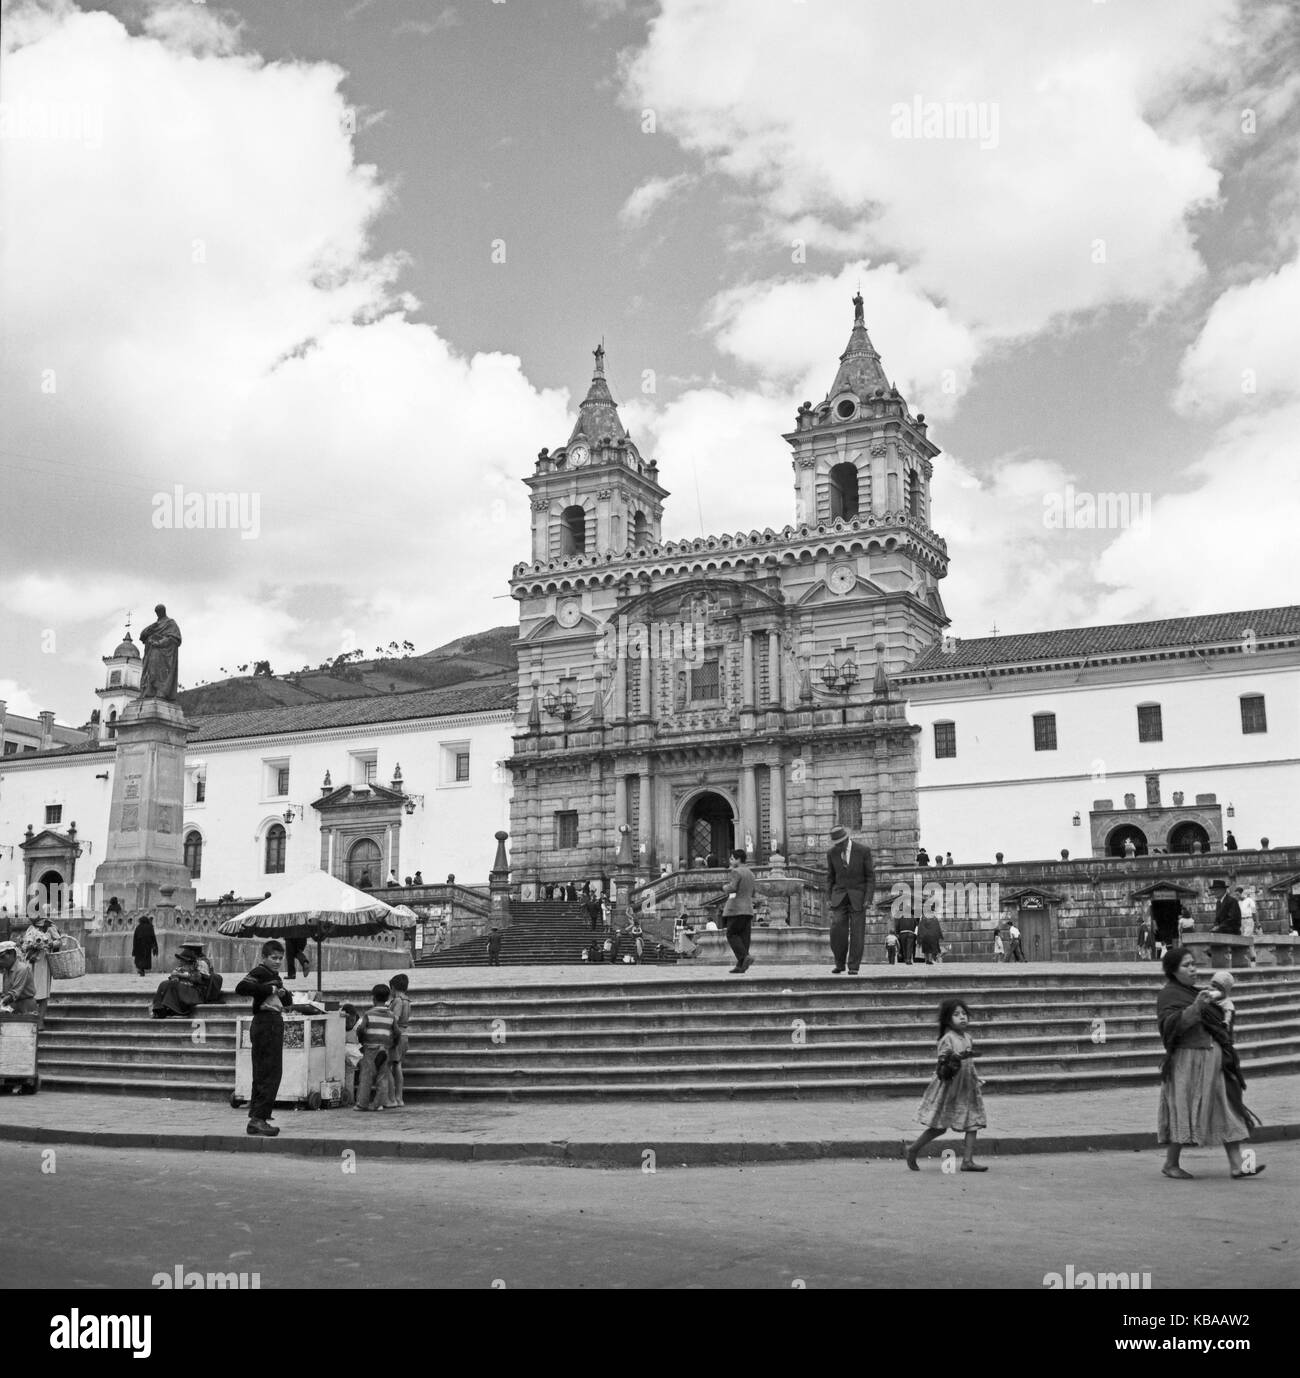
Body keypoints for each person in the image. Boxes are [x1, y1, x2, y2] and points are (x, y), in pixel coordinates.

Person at [1156, 946, 1263, 1179]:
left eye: (1193, 963)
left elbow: (1219, 1023)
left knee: (1226, 1109)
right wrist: (1197, 1007)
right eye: (1186, 965)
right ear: (1174, 971)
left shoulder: (1196, 992)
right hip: (1188, 1062)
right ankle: (1170, 1163)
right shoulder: (1169, 995)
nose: (1193, 968)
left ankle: (1237, 1165)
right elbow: (1173, 1026)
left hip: (1213, 1063)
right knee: (1183, 1111)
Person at [906, 998, 988, 1172]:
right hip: (949, 1087)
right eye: (957, 1014)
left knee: (974, 1123)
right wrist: (955, 1059)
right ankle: (912, 1149)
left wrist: (975, 1079)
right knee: (939, 1127)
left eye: (964, 1014)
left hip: (967, 1087)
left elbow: (971, 1064)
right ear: (948, 1020)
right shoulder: (947, 1039)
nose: (962, 1017)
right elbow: (942, 1063)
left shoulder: (967, 1037)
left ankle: (967, 1161)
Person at [235, 940, 292, 1137]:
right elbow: (241, 988)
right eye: (273, 958)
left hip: (274, 1022)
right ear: (264, 958)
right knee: (268, 1072)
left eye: (280, 958)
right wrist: (270, 990)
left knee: (268, 1071)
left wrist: (283, 993)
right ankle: (258, 1118)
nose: (277, 961)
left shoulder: (275, 976)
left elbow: (287, 1001)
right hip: (265, 1022)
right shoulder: (259, 972)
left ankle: (259, 1117)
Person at [826, 824, 874, 975]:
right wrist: (828, 898)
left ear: (846, 839)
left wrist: (868, 898)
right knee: (836, 930)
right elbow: (830, 877)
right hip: (839, 896)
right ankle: (839, 964)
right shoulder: (832, 853)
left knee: (857, 933)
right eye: (836, 844)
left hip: (858, 897)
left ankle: (853, 966)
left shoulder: (863, 851)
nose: (838, 846)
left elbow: (870, 877)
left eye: (840, 843)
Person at [353, 983, 398, 1111]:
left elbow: (361, 1029)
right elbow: (397, 1032)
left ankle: (362, 1104)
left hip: (370, 1049)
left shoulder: (368, 1014)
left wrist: (361, 1039)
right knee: (382, 1077)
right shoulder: (391, 1015)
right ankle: (378, 1103)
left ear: (373, 998)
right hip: (384, 1049)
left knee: (366, 1076)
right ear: (387, 998)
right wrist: (392, 1043)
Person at [151, 938, 222, 1018]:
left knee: (174, 985)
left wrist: (182, 975)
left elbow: (199, 978)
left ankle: (178, 1011)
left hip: (196, 990)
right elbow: (176, 973)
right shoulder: (185, 962)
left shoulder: (202, 962)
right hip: (185, 986)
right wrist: (175, 976)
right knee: (164, 984)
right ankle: (158, 1009)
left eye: (188, 948)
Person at [22, 913, 64, 1028]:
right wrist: (29, 946)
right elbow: (24, 945)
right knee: (30, 992)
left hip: (44, 963)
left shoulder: (49, 926)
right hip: (31, 963)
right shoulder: (31, 927)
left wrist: (48, 944)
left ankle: (40, 1021)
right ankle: (31, 1019)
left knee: (43, 993)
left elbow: (59, 941)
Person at [719, 848, 756, 974]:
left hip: (736, 908)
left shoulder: (736, 871)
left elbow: (732, 888)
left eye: (732, 858)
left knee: (731, 934)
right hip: (748, 909)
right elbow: (753, 892)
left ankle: (745, 957)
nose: (730, 861)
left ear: (738, 859)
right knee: (744, 937)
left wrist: (724, 887)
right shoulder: (751, 873)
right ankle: (741, 965)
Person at [387, 973, 412, 1108]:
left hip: (396, 1035)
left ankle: (393, 1098)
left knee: (389, 1065)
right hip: (404, 1034)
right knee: (398, 1065)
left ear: (393, 987)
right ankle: (399, 1097)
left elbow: (394, 1018)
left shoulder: (397, 1000)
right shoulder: (407, 1000)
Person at [0, 942, 39, 1014]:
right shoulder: (6, 971)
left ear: (12, 954)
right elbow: (6, 993)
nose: (0, 961)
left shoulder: (22, 969)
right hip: (13, 1006)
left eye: (2, 957)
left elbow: (15, 993)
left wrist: (2, 1002)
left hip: (26, 1005)